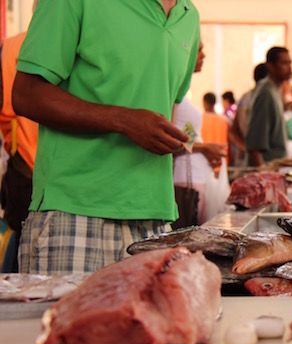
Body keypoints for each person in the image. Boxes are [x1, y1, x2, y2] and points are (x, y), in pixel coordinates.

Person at [12, 0, 202, 276]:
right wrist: (123, 120)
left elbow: (167, 110)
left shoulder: (189, 16)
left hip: (155, 220)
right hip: (74, 213)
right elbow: (26, 94)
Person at [0, 0, 39, 271]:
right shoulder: (75, 46)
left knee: (20, 243)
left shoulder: (11, 46)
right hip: (61, 166)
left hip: (23, 161)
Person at [174, 42, 227, 225]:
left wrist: (206, 151)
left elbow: (186, 137)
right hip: (185, 180)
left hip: (195, 178)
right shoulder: (172, 92)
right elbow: (169, 143)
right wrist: (204, 148)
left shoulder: (182, 93)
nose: (203, 55)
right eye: (198, 50)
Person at [244, 46, 292, 167]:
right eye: (284, 63)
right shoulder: (266, 93)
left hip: (276, 168)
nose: (289, 67)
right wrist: (263, 173)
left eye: (289, 63)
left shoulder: (276, 90)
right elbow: (255, 144)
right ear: (271, 66)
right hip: (266, 169)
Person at [228, 63, 268, 167]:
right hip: (251, 160)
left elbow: (233, 131)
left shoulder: (246, 97)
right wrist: (248, 149)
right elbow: (234, 132)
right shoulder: (257, 98)